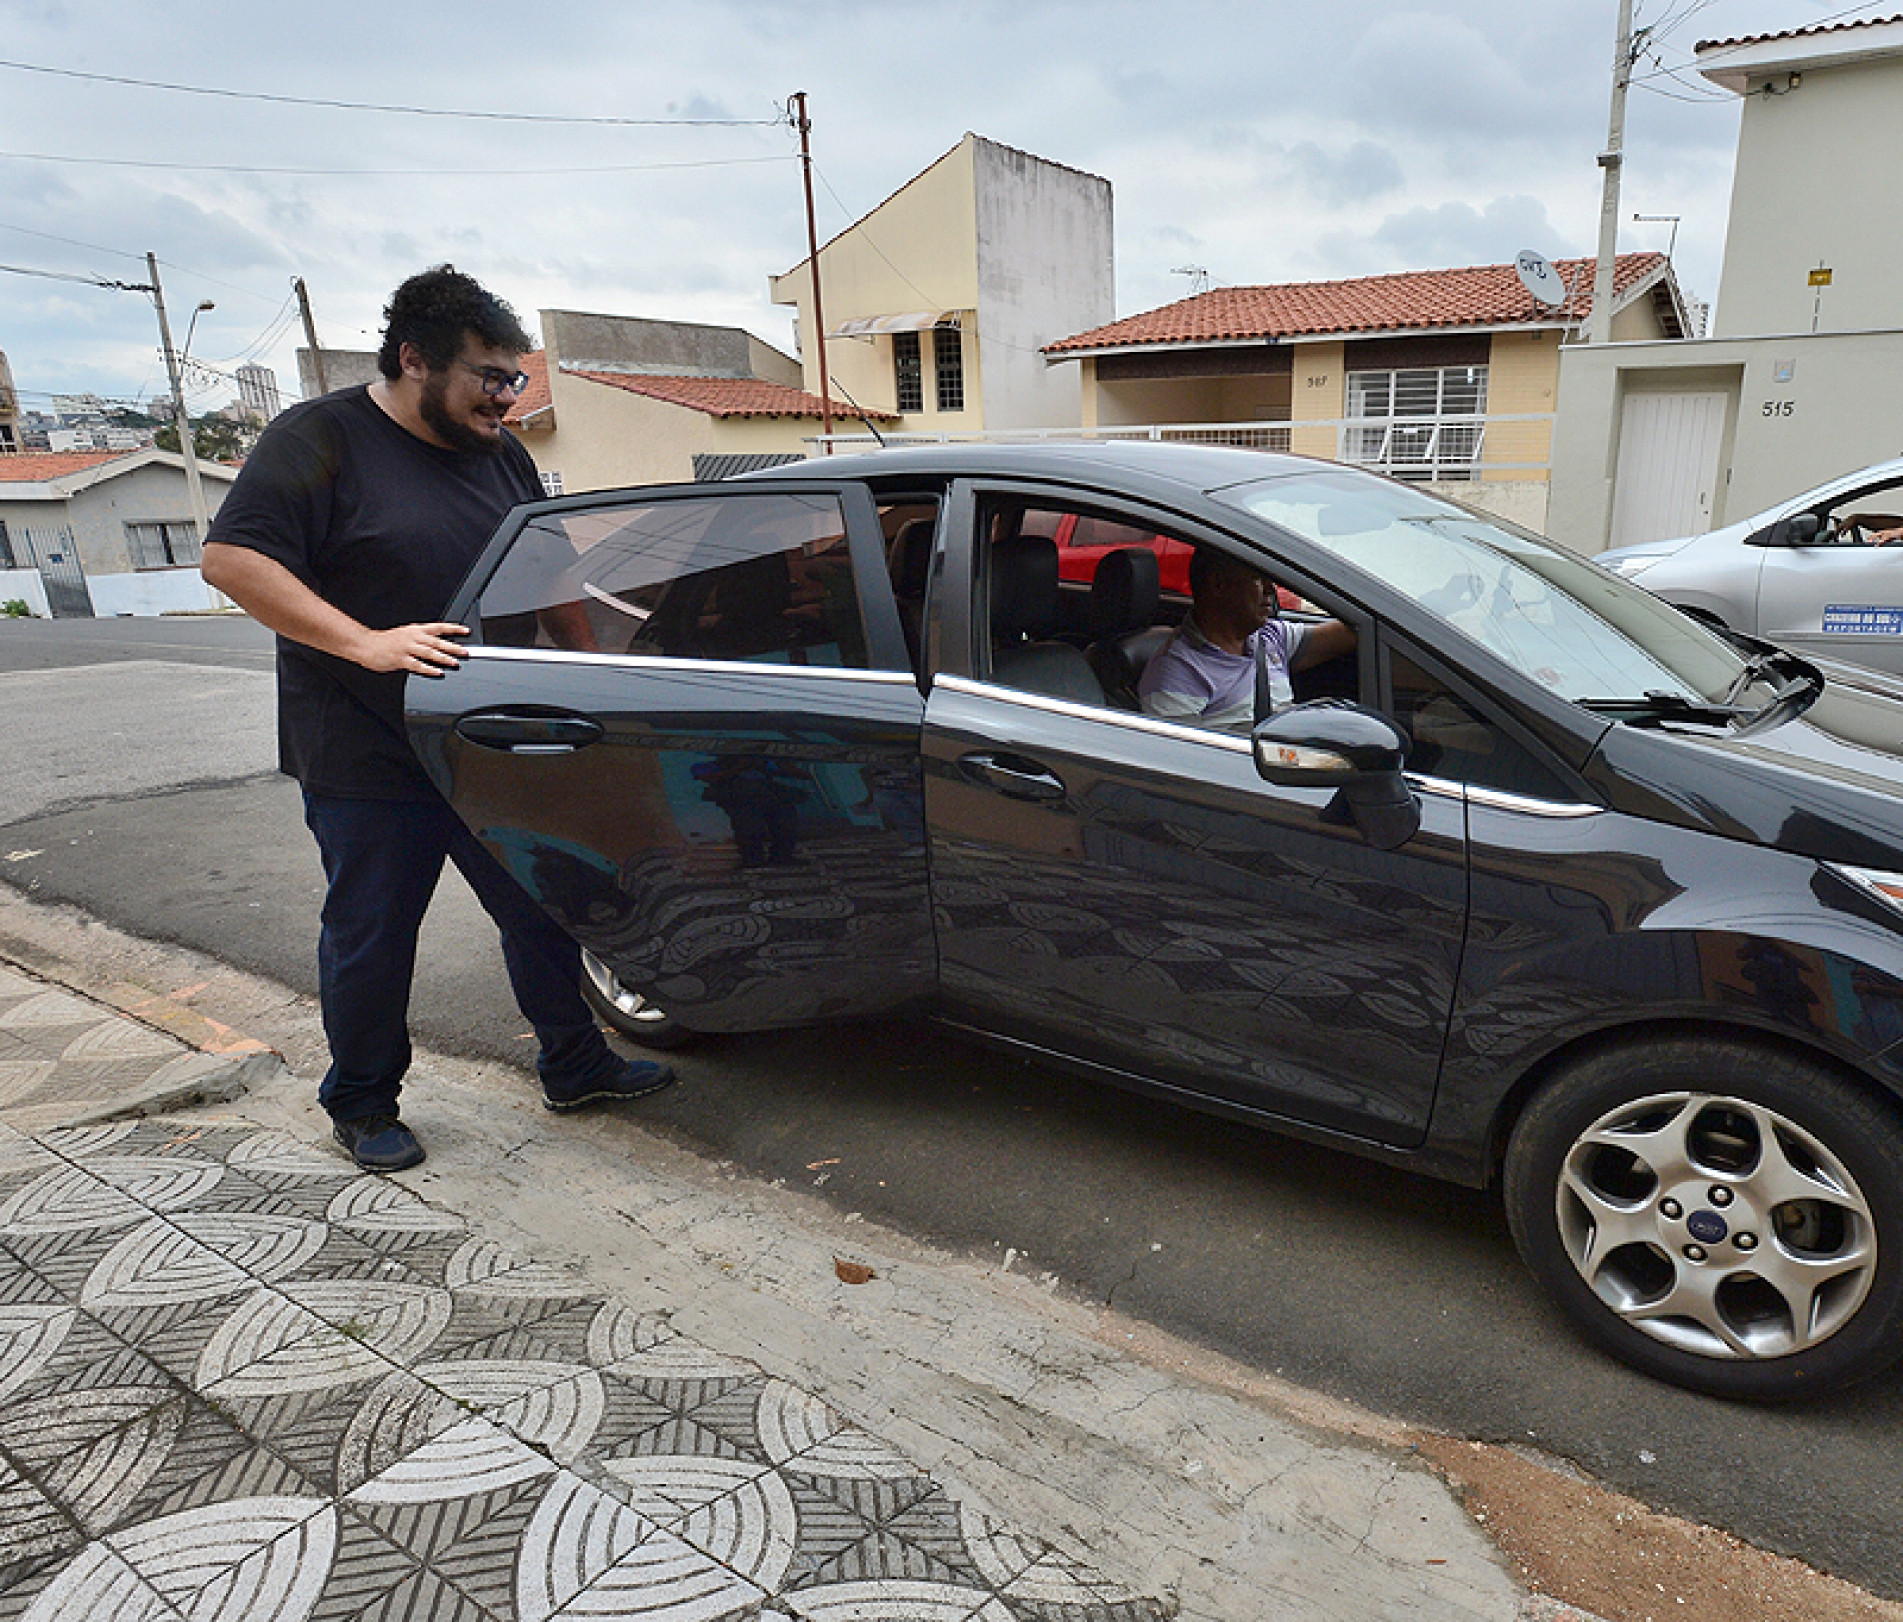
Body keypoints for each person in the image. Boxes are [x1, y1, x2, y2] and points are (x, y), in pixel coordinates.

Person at [199, 265, 673, 1173]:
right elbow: (231, 561)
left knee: (540, 907)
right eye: (489, 378)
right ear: (415, 360)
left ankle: (574, 1064)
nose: (507, 397)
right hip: (365, 747)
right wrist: (363, 641)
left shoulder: (499, 452)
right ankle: (363, 1100)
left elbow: (548, 571)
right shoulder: (320, 437)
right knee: (376, 933)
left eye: (515, 378)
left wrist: (591, 676)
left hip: (484, 736)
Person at [1137, 547, 1357, 732]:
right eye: (1258, 579)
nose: (1271, 590)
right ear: (1219, 585)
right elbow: (1183, 764)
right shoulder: (1175, 674)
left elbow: (1353, 631)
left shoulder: (1270, 637)